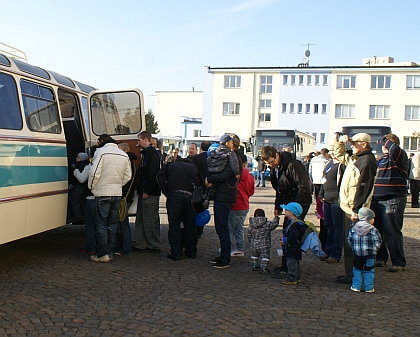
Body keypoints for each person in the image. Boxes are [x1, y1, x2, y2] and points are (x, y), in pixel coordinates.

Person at [260, 145, 311, 278]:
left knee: (292, 233)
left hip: (298, 204)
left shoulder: (293, 165)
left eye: (272, 162)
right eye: (268, 164)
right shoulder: (274, 168)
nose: (271, 165)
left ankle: (290, 268)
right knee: (287, 233)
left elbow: (304, 187)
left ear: (277, 155)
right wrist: (278, 206)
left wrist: (294, 209)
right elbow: (279, 190)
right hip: (288, 203)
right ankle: (286, 266)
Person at [334, 133, 378, 283]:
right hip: (349, 206)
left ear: (363, 144)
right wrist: (340, 143)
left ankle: (354, 275)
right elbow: (339, 156)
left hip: (355, 209)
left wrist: (356, 210)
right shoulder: (357, 159)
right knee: (349, 242)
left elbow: (363, 188)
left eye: (354, 143)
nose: (351, 145)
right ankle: (351, 274)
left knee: (353, 244)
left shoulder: (367, 161)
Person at [88, 134, 132, 263]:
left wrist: (92, 187)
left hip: (102, 193)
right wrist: (118, 185)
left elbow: (94, 172)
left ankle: (103, 253)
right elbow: (127, 175)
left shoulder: (100, 152)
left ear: (102, 142)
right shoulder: (123, 154)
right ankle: (111, 252)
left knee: (101, 224)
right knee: (112, 225)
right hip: (116, 193)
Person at [371, 134, 409, 272]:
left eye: (387, 143)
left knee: (392, 231)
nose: (384, 146)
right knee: (378, 230)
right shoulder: (382, 160)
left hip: (393, 198)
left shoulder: (399, 156)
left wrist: (383, 139)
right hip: (377, 199)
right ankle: (381, 258)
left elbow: (394, 149)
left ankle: (398, 262)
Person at [157, 157, 200, 260]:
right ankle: (191, 251)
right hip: (190, 197)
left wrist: (167, 191)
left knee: (174, 225)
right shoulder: (193, 167)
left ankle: (176, 253)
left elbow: (159, 175)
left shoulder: (170, 165)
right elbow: (200, 182)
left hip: (174, 196)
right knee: (190, 225)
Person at [207, 135, 239, 269]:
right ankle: (223, 255)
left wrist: (211, 178)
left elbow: (226, 175)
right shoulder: (229, 157)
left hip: (225, 196)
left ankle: (226, 258)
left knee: (223, 228)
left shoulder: (232, 157)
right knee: (220, 227)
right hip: (222, 195)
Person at [133, 131, 162, 253]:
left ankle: (152, 244)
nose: (138, 143)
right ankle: (141, 242)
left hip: (149, 192)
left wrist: (147, 190)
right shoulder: (148, 153)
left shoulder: (151, 154)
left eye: (139, 140)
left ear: (146, 140)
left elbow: (153, 174)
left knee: (149, 218)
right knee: (141, 218)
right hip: (146, 191)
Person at [318, 148, 345, 264]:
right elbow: (324, 180)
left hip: (336, 200)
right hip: (327, 199)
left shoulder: (342, 165)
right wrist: (321, 193)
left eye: (335, 150)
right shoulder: (330, 163)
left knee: (337, 227)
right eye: (331, 150)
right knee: (328, 225)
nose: (332, 152)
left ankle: (336, 253)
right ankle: (328, 250)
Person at [347, 207, 382, 293]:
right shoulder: (373, 230)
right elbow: (378, 241)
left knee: (357, 270)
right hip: (370, 254)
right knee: (369, 271)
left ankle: (356, 286)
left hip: (357, 254)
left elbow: (349, 239)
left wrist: (354, 249)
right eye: (372, 218)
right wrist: (375, 250)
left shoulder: (353, 229)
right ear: (368, 219)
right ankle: (369, 287)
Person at [203, 135, 240, 209]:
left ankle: (206, 197)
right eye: (231, 142)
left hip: (212, 170)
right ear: (227, 143)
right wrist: (237, 173)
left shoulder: (215, 151)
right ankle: (207, 199)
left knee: (212, 186)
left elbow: (208, 160)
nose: (232, 143)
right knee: (216, 184)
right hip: (220, 170)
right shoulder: (230, 153)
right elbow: (234, 163)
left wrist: (210, 168)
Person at [229, 157, 255, 257]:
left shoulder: (235, 176)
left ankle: (227, 247)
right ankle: (240, 248)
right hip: (245, 204)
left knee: (229, 229)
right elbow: (251, 191)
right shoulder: (250, 177)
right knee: (239, 228)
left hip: (236, 205)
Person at [74, 146, 97, 254]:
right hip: (101, 196)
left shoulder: (90, 166)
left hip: (90, 198)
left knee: (90, 225)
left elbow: (82, 179)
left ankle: (90, 247)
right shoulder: (102, 165)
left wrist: (75, 170)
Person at [115, 143, 138, 255]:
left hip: (124, 197)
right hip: (126, 196)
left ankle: (125, 248)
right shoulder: (130, 163)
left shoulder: (127, 163)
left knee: (122, 223)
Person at [279, 202, 306, 285]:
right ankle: (297, 277)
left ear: (292, 212)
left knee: (291, 263)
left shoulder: (295, 224)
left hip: (292, 247)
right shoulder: (296, 222)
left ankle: (292, 278)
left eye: (286, 210)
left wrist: (285, 241)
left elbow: (294, 237)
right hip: (293, 247)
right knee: (295, 262)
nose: (285, 211)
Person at [247, 209, 279, 274]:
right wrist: (276, 217)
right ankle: (263, 268)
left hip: (254, 244)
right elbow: (274, 224)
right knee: (265, 257)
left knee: (254, 255)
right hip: (264, 244)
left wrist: (251, 241)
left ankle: (254, 265)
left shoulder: (251, 225)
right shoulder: (267, 224)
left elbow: (249, 235)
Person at [192, 141, 211, 238]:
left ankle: (195, 228)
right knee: (204, 207)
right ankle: (200, 229)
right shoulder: (211, 158)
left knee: (195, 207)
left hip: (198, 187)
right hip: (208, 187)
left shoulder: (197, 159)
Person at [68, 152, 90, 219]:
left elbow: (80, 178)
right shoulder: (88, 165)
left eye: (78, 157)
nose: (76, 159)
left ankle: (77, 215)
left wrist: (75, 170)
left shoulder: (77, 166)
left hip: (77, 186)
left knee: (74, 200)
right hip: (84, 187)